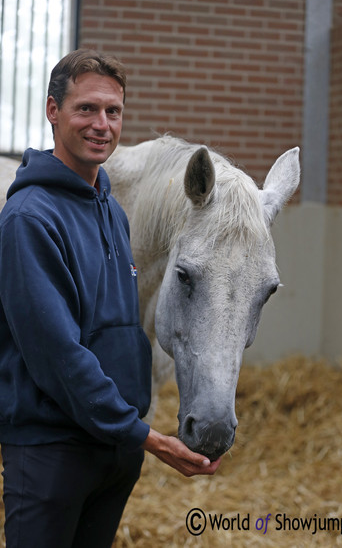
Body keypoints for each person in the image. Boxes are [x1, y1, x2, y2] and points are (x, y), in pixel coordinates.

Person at [0, 49, 221, 548]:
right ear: (53, 111)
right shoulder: (30, 219)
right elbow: (58, 355)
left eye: (113, 112)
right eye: (86, 109)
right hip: (51, 452)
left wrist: (131, 436)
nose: (102, 124)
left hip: (114, 448)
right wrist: (149, 438)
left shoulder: (112, 211)